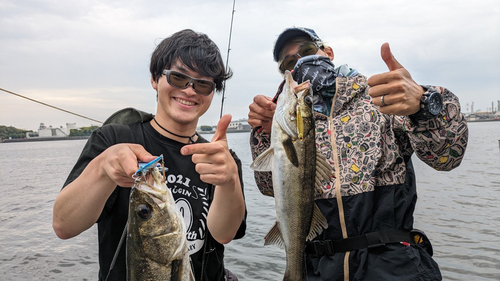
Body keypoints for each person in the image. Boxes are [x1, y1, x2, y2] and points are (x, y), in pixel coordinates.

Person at [248, 27, 468, 280]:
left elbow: (447, 157)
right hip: (317, 269)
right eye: (288, 62)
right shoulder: (282, 118)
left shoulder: (383, 99)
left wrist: (425, 105)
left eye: (307, 50)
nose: (300, 61)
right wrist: (264, 134)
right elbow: (269, 187)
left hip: (395, 267)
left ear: (327, 51)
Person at [53, 29, 246, 281]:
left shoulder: (220, 158)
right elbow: (64, 226)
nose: (189, 90)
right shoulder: (112, 140)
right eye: (178, 77)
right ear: (155, 79)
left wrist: (229, 180)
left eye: (203, 84)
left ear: (212, 92)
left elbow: (223, 235)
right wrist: (102, 169)